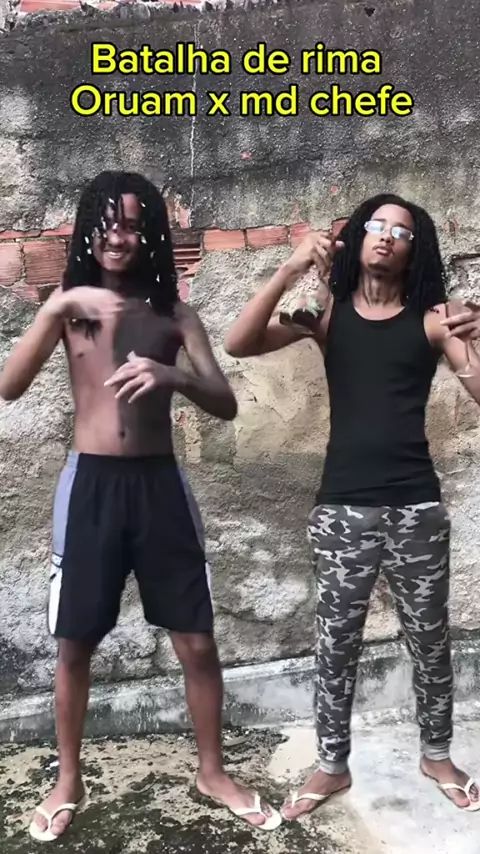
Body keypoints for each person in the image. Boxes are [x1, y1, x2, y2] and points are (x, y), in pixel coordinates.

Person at [0, 171, 282, 842]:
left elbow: (225, 402)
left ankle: (211, 772)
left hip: (160, 487)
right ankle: (68, 780)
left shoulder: (175, 314)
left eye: (131, 224)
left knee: (197, 640)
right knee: (75, 643)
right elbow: (9, 387)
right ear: (86, 232)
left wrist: (171, 374)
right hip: (91, 488)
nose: (118, 237)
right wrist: (52, 311)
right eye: (106, 224)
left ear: (151, 232)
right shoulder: (69, 307)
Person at [224, 193, 480, 819]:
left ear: (416, 251)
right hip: (342, 510)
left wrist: (476, 344)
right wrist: (289, 268)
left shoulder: (434, 321)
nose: (387, 236)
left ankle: (437, 755)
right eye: (376, 226)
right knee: (336, 644)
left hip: (416, 506)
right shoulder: (325, 313)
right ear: (357, 239)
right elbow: (238, 342)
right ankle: (332, 765)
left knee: (430, 640)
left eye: (403, 231)